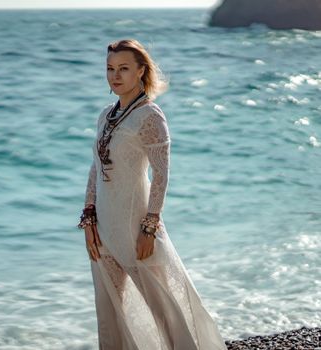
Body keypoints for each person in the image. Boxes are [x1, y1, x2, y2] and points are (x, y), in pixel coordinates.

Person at [77, 39, 228, 350]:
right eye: (109, 69)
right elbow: (96, 167)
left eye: (123, 69)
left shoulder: (150, 115)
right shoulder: (106, 114)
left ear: (141, 71)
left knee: (163, 310)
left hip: (135, 228)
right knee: (109, 311)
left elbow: (161, 174)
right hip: (103, 227)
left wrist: (149, 227)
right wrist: (88, 218)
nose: (114, 75)